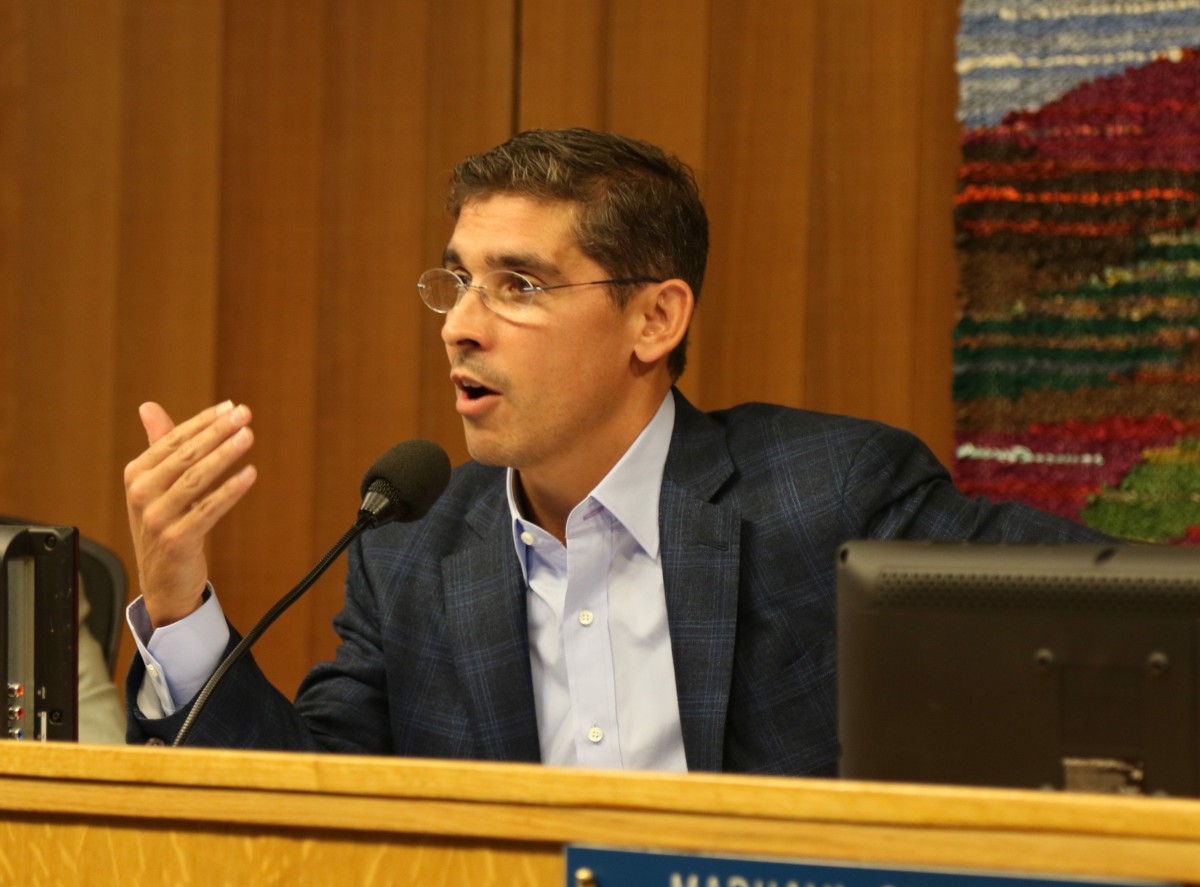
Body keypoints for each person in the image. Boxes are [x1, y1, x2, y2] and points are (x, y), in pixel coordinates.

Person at [123, 128, 1107, 773]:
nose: (459, 326)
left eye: (518, 285)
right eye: (457, 282)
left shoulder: (829, 495)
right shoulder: (412, 552)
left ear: (654, 319)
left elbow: (1133, 624)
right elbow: (307, 809)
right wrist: (178, 600)